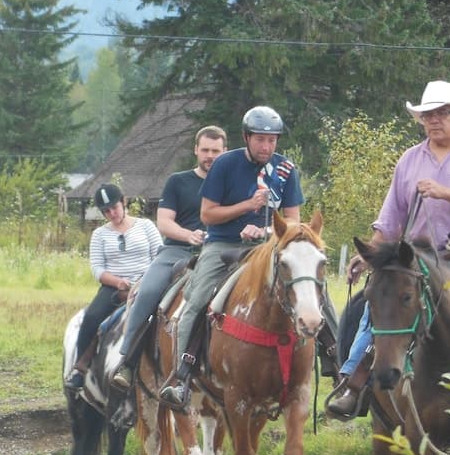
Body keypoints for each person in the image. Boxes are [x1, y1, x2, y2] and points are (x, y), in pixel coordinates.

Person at [326, 80, 450, 420]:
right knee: (377, 311)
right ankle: (352, 385)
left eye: (441, 113)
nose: (433, 120)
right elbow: (390, 217)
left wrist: (444, 192)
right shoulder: (410, 160)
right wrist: (370, 253)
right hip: (416, 256)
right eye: (427, 114)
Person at [159, 106, 305, 407]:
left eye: (272, 140)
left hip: (268, 248)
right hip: (223, 246)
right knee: (195, 301)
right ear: (246, 137)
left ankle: (336, 365)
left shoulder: (285, 170)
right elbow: (207, 215)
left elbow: (293, 221)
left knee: (314, 293)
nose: (267, 147)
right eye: (260, 140)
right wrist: (247, 206)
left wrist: (265, 229)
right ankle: (182, 376)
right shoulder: (225, 164)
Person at [111, 125, 227, 390]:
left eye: (216, 151)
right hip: (177, 250)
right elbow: (164, 222)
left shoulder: (230, 183)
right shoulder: (178, 181)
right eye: (206, 150)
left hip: (220, 253)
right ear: (196, 150)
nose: (210, 155)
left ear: (225, 152)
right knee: (147, 292)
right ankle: (127, 360)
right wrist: (188, 235)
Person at [64, 183, 162, 389]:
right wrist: (118, 282)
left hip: (147, 284)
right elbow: (97, 269)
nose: (112, 213)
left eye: (114, 207)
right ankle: (80, 368)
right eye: (106, 211)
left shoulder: (146, 226)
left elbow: (159, 256)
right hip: (114, 287)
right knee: (92, 317)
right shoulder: (99, 234)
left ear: (123, 202)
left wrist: (146, 280)